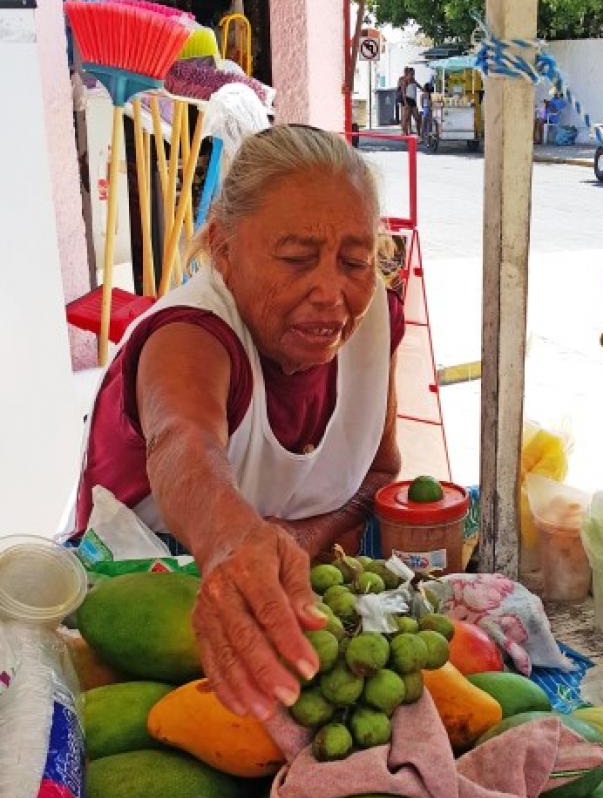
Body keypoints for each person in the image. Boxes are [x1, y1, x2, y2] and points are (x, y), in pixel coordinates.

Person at [70, 126, 405, 724]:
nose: (332, 292)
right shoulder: (189, 335)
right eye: (297, 258)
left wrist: (298, 541)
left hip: (289, 616)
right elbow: (183, 443)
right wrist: (231, 541)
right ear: (223, 248)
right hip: (137, 619)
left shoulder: (373, 321)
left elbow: (380, 471)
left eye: (354, 261)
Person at [403, 66, 422, 136]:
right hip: (408, 100)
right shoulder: (405, 81)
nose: (413, 74)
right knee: (406, 119)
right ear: (409, 73)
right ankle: (406, 134)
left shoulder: (413, 80)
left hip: (413, 100)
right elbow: (403, 93)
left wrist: (424, 90)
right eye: (412, 73)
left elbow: (419, 86)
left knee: (417, 118)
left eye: (413, 73)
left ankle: (419, 133)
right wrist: (405, 103)